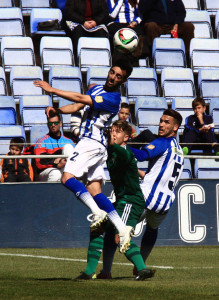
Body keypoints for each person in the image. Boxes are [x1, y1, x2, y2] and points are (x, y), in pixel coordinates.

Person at [34, 58, 134, 252]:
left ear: (122, 81)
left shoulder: (113, 99)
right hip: (98, 147)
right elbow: (77, 107)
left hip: (91, 143)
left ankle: (97, 213)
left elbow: (80, 99)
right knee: (95, 190)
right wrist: (58, 110)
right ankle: (122, 229)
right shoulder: (96, 88)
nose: (113, 77)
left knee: (66, 177)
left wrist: (52, 90)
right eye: (113, 72)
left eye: (118, 76)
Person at [99, 109, 184, 277]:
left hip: (144, 197)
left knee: (114, 230)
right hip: (164, 203)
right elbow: (160, 174)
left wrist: (122, 146)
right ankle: (140, 264)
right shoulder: (179, 150)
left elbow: (143, 155)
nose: (161, 124)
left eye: (166, 122)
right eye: (161, 120)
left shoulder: (162, 142)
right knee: (152, 229)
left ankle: (110, 271)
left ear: (175, 127)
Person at [76, 120, 155, 281]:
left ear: (126, 137)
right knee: (97, 228)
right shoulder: (109, 152)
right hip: (121, 201)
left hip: (131, 202)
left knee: (120, 236)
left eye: (117, 132)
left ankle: (142, 269)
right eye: (112, 130)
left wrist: (110, 144)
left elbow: (120, 152)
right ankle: (93, 271)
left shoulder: (125, 152)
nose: (113, 133)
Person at [34, 113, 75, 182]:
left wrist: (62, 160)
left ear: (60, 123)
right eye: (50, 124)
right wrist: (56, 163)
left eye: (55, 123)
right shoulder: (41, 142)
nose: (53, 125)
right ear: (47, 125)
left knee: (68, 147)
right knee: (56, 173)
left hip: (66, 169)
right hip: (48, 171)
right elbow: (40, 162)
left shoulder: (69, 141)